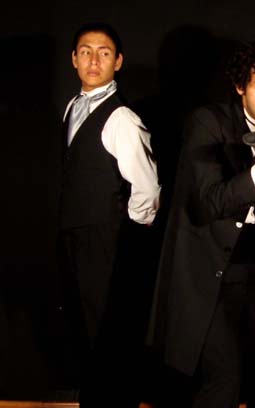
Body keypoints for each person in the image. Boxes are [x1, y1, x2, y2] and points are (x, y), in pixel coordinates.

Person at [146, 38, 255, 408]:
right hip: (209, 273)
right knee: (223, 380)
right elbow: (210, 201)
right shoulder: (208, 122)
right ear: (240, 86)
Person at [56, 21, 161, 408]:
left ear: (117, 62)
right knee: (84, 331)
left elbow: (147, 188)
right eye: (85, 52)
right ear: (74, 59)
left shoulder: (121, 118)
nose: (93, 60)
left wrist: (125, 234)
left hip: (106, 239)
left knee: (108, 335)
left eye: (103, 53)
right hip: (75, 237)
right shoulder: (72, 107)